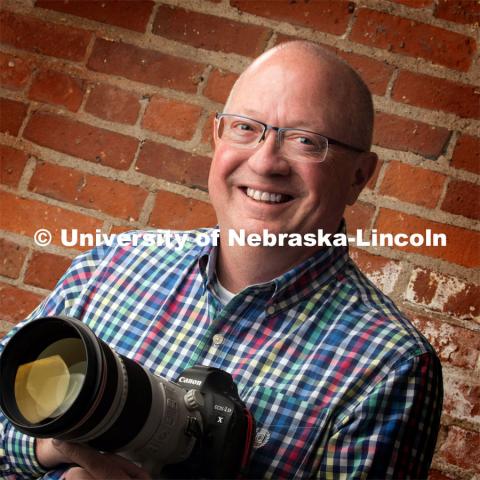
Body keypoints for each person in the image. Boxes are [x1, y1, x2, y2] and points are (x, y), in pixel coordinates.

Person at [0, 41, 442, 479]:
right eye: (246, 128)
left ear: (359, 177)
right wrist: (55, 448)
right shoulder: (112, 264)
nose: (267, 162)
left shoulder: (390, 366)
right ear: (218, 137)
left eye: (307, 141)